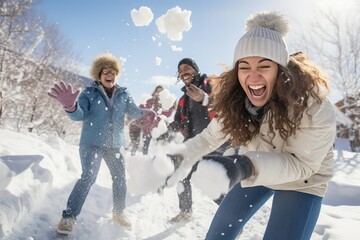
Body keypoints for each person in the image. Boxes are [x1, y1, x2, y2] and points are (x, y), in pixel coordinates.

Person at [165, 11, 336, 239]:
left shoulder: (313, 105)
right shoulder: (238, 101)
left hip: (302, 179)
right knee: (219, 231)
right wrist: (179, 155)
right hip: (257, 164)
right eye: (244, 67)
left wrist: (243, 165)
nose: (253, 77)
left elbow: (302, 165)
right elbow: (209, 138)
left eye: (264, 66)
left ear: (280, 68)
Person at [48, 53, 155, 235]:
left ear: (116, 74)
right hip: (91, 143)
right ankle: (69, 217)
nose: (109, 74)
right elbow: (79, 114)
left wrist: (147, 113)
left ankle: (119, 212)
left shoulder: (124, 94)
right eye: (105, 71)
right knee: (88, 177)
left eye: (113, 71)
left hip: (114, 145)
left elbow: (134, 112)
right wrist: (70, 107)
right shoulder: (89, 93)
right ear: (99, 74)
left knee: (120, 179)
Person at [164, 58, 230, 223]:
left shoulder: (212, 85)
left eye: (187, 68)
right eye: (180, 70)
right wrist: (166, 131)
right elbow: (179, 121)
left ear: (196, 70)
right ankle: (185, 211)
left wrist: (205, 98)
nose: (183, 72)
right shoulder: (183, 99)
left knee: (208, 180)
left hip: (216, 142)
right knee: (182, 175)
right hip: (194, 144)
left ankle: (232, 217)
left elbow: (226, 107)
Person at [129, 85, 174, 155]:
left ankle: (145, 159)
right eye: (157, 91)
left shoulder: (163, 105)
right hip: (141, 124)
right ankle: (132, 158)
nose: (159, 93)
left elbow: (166, 115)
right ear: (155, 92)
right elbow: (141, 109)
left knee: (146, 145)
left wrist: (171, 107)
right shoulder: (149, 101)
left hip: (151, 129)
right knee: (136, 144)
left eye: (161, 92)